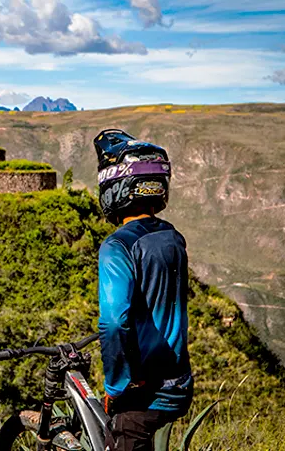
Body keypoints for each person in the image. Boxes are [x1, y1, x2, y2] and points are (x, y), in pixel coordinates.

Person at [93, 130, 193, 451]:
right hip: (179, 382)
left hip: (145, 395)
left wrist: (115, 386)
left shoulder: (118, 245)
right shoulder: (171, 236)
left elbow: (113, 322)